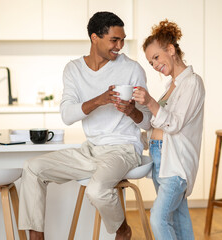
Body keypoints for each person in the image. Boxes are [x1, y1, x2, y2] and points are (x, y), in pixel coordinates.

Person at [18, 12, 152, 240]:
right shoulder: (74, 70)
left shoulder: (132, 69)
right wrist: (99, 100)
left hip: (123, 149)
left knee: (97, 190)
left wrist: (132, 111)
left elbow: (149, 121)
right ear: (94, 38)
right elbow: (67, 115)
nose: (120, 46)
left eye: (122, 39)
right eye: (114, 40)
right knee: (32, 168)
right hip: (90, 150)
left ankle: (123, 230)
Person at [133, 20, 205, 240]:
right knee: (177, 219)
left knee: (159, 217)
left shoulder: (192, 83)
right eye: (150, 62)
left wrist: (151, 102)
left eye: (156, 57)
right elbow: (154, 123)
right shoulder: (170, 87)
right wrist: (134, 109)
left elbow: (174, 124)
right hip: (159, 157)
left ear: (171, 50)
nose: (154, 65)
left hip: (175, 162)